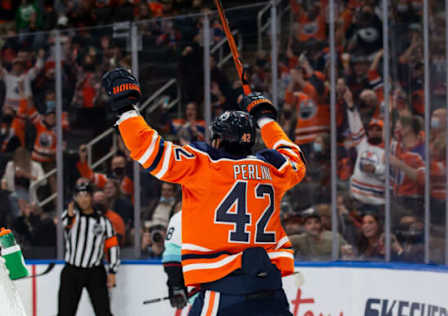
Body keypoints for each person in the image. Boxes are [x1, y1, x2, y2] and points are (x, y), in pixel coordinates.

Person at [102, 68, 306, 315]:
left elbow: (148, 149)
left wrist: (126, 108)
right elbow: (294, 157)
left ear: (218, 140)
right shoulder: (273, 169)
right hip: (271, 291)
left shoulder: (204, 164)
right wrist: (266, 119)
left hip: (222, 290)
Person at [58, 182, 120, 316]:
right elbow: (65, 224)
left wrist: (112, 271)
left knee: (103, 312)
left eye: (86, 195)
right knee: (65, 312)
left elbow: (112, 246)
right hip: (72, 270)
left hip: (95, 272)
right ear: (75, 198)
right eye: (79, 196)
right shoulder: (71, 216)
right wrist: (69, 215)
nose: (83, 199)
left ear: (91, 197)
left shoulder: (103, 221)